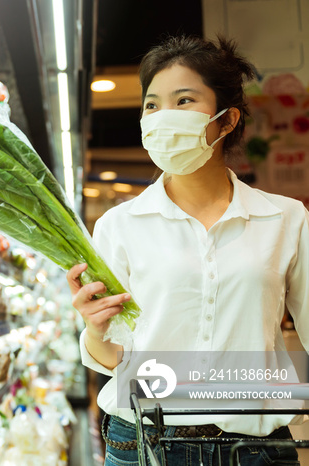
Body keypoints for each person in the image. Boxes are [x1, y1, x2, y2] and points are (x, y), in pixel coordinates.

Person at [68, 34, 309, 466]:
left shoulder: (285, 219)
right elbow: (111, 360)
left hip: (254, 448)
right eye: (152, 105)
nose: (163, 117)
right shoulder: (119, 226)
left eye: (183, 101)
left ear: (227, 119)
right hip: (144, 442)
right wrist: (95, 328)